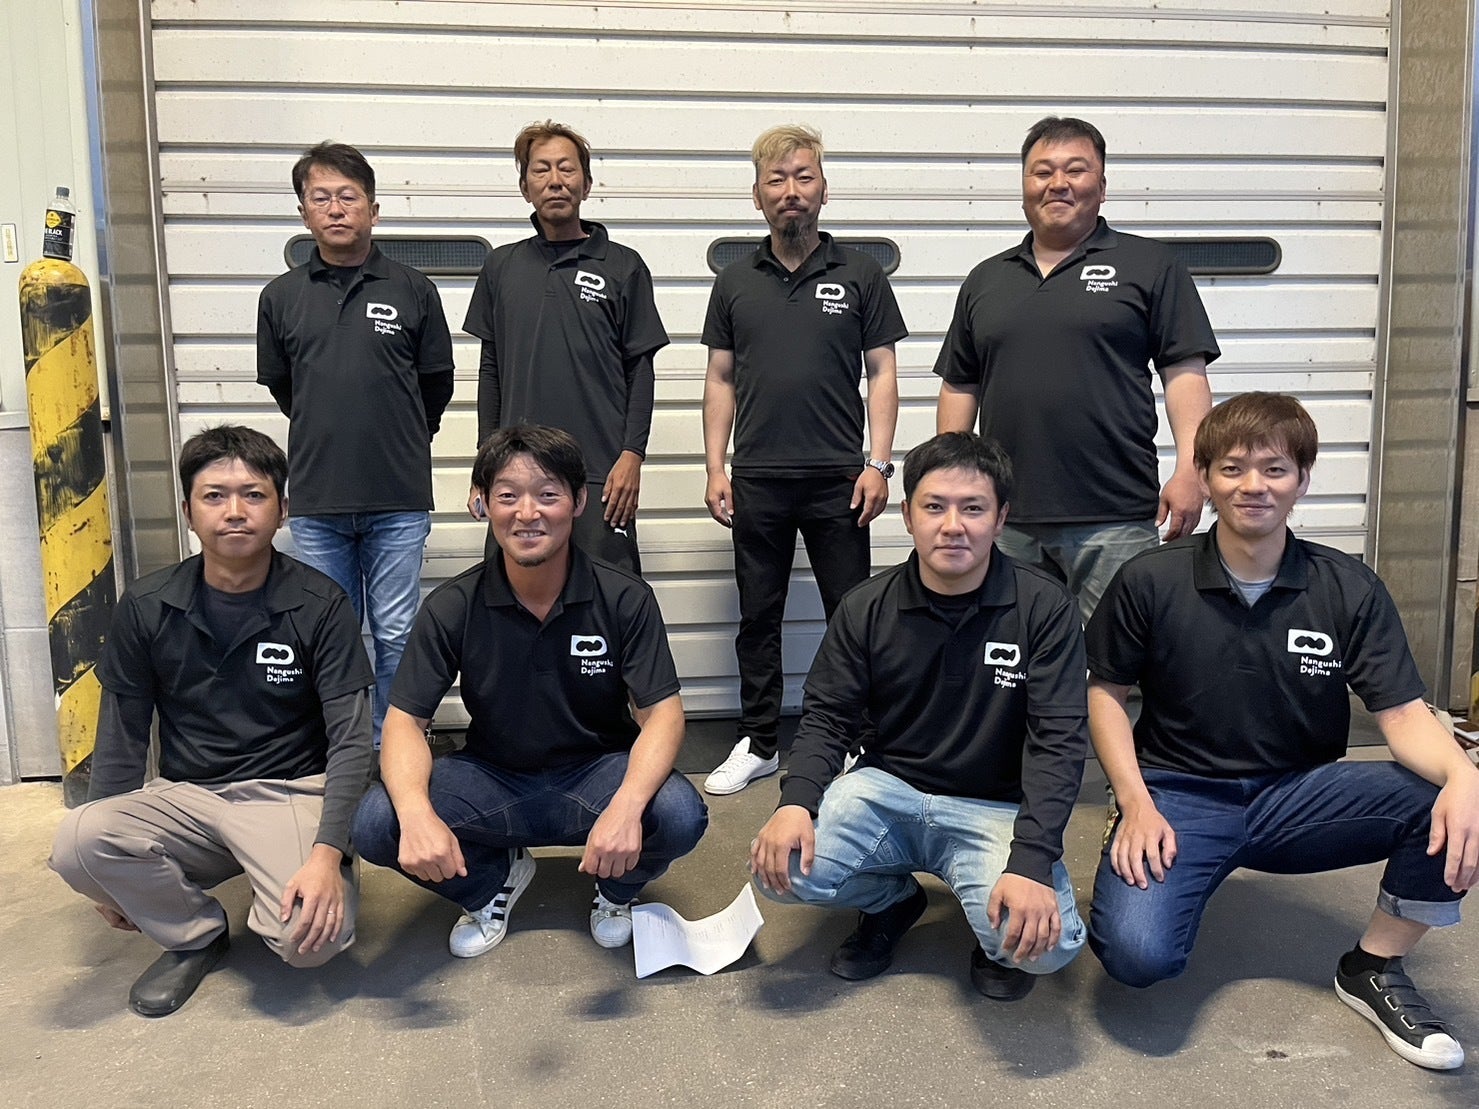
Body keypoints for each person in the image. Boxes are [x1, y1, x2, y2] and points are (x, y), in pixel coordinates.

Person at [1085, 392, 1479, 1070]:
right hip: (1179, 796)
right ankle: (1142, 840)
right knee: (1136, 956)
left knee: (1447, 798)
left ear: (1301, 479)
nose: (1253, 485)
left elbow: (1402, 713)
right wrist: (1135, 800)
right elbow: (1105, 693)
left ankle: (1372, 967)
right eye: (1232, 468)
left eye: (1274, 468)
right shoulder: (1150, 579)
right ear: (1204, 476)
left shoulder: (1346, 587)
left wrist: (1464, 775)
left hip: (1300, 795)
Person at [49, 426, 374, 1017]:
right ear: (188, 513)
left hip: (287, 792)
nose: (235, 511)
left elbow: (352, 740)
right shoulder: (147, 606)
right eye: (214, 496)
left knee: (309, 943)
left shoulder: (320, 604)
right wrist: (110, 875)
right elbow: (122, 736)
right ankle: (196, 935)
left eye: (254, 495)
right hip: (188, 796)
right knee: (78, 841)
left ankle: (313, 870)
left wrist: (328, 853)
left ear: (282, 510)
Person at [750, 432, 1088, 1000]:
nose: (952, 526)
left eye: (973, 508)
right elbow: (828, 716)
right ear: (908, 515)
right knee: (779, 870)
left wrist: (1031, 861)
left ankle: (993, 929)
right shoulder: (867, 605)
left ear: (1001, 518)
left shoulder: (1044, 607)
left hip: (994, 805)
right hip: (890, 789)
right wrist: (795, 803)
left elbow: (1059, 740)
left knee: (1046, 949)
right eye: (935, 507)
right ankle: (893, 902)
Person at [352, 425, 707, 958]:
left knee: (679, 814)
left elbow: (663, 713)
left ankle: (616, 890)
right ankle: (489, 882)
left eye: (547, 494)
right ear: (482, 503)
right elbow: (404, 720)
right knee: (378, 821)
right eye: (507, 496)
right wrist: (418, 813)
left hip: (597, 774)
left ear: (579, 501)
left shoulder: (624, 597)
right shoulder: (453, 605)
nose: (527, 513)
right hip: (491, 777)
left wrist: (628, 806)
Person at [935, 116, 1220, 622]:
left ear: (1102, 186)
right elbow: (961, 384)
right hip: (1005, 516)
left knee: (1115, 656)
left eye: (1075, 169)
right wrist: (951, 480)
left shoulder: (1150, 265)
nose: (1058, 183)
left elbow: (1185, 374)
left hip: (1115, 515)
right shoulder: (986, 279)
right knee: (1008, 654)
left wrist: (1191, 469)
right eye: (1042, 171)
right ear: (1024, 186)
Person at [702, 123, 906, 795]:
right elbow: (720, 378)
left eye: (803, 177)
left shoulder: (860, 274)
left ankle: (855, 739)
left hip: (838, 480)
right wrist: (715, 467)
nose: (790, 190)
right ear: (757, 195)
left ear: (823, 189)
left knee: (851, 615)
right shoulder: (735, 281)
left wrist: (879, 464)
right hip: (758, 479)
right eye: (776, 180)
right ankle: (759, 741)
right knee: (757, 616)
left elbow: (882, 371)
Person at [257, 140, 455, 741]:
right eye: (321, 198)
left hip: (397, 496)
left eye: (348, 196)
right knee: (330, 633)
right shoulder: (281, 297)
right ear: (303, 212)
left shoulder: (413, 289)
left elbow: (436, 385)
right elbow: (286, 389)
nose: (336, 209)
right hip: (318, 500)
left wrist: (398, 435)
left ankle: (396, 743)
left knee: (397, 630)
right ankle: (344, 747)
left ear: (373, 208)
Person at [462, 120, 668, 574]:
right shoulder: (501, 266)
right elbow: (490, 370)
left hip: (600, 475)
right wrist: (485, 464)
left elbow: (640, 370)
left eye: (566, 169)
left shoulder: (623, 266)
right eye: (541, 170)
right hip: (516, 474)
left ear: (586, 184)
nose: (555, 180)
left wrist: (632, 456)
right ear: (525, 187)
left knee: (609, 594)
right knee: (512, 598)